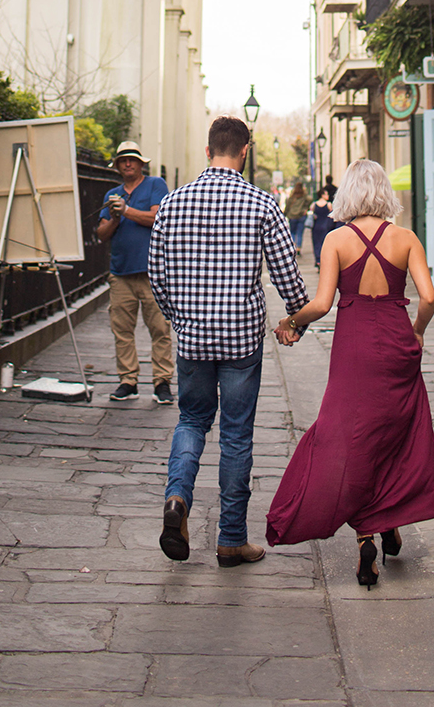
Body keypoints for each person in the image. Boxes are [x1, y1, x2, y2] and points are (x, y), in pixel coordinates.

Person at [266, 157, 434, 591]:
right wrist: (416, 333)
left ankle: (367, 533)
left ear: (348, 193)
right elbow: (429, 297)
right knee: (396, 434)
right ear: (384, 192)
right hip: (397, 340)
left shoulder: (336, 240)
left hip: (354, 345)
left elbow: (323, 303)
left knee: (351, 435)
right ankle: (387, 523)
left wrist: (292, 322)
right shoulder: (405, 238)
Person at [148, 114, 307, 568]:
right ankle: (231, 538)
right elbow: (287, 279)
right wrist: (297, 319)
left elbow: (156, 276)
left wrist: (183, 318)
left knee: (192, 421)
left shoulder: (173, 204)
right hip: (240, 341)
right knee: (236, 435)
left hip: (193, 339)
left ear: (207, 150)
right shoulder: (261, 203)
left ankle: (177, 497)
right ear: (244, 152)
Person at [97, 140, 174, 404]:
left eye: (132, 159)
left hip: (153, 273)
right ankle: (127, 381)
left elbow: (157, 218)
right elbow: (101, 234)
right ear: (117, 166)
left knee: (160, 330)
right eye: (123, 160)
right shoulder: (111, 195)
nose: (128, 163)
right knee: (122, 330)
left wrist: (127, 211)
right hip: (121, 273)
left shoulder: (155, 185)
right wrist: (116, 216)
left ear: (141, 163)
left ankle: (162, 382)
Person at [284, 178, 310, 251]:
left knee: (292, 232)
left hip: (292, 216)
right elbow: (310, 199)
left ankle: (293, 245)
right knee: (300, 232)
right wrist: (305, 208)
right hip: (301, 216)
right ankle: (298, 247)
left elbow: (288, 206)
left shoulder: (292, 196)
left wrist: (285, 214)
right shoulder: (304, 195)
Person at [310, 188, 333, 267]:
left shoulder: (314, 204)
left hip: (316, 226)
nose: (328, 196)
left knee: (316, 243)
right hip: (325, 226)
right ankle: (323, 260)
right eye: (326, 194)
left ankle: (318, 260)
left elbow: (311, 213)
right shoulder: (328, 204)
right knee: (324, 243)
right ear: (322, 195)